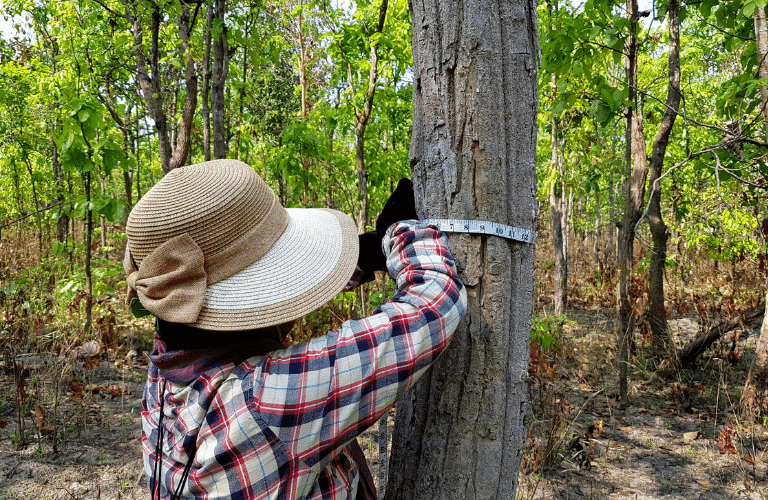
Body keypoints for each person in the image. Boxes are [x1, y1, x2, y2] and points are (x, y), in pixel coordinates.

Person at [124, 159, 467, 500]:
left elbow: (247, 306)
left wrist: (355, 260)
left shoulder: (166, 371)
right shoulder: (268, 398)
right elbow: (434, 304)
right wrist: (403, 233)